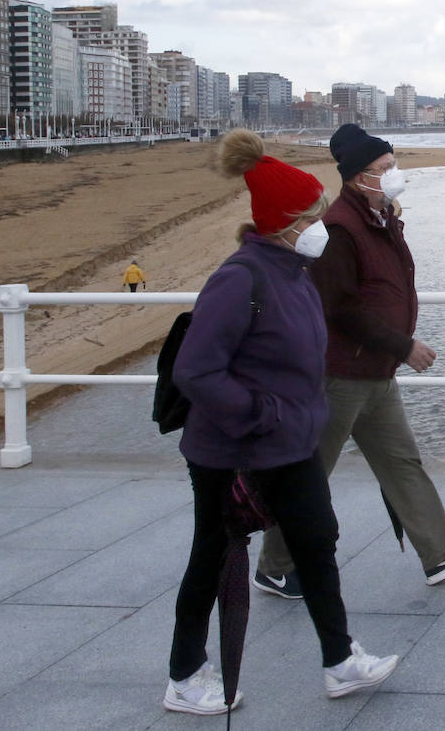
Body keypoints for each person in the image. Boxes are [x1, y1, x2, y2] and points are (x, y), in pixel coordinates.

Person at [164, 129, 398, 717]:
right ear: (285, 221)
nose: (321, 223)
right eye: (313, 214)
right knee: (212, 558)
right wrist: (259, 413)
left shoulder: (293, 273)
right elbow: (197, 371)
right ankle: (185, 676)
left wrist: (298, 414)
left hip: (290, 445)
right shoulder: (239, 279)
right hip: (230, 453)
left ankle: (341, 661)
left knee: (317, 543)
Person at [254, 124, 445, 599]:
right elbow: (339, 307)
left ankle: (438, 551)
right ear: (359, 176)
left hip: (376, 374)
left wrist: (389, 216)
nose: (394, 173)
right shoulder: (340, 227)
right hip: (338, 376)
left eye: (393, 165)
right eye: (385, 169)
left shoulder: (376, 218)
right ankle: (276, 566)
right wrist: (403, 346)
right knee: (309, 475)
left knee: (402, 463)